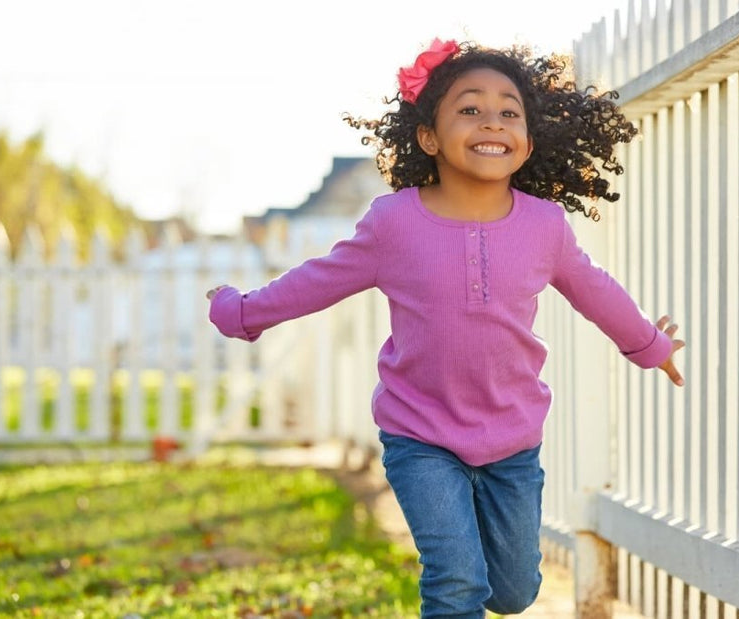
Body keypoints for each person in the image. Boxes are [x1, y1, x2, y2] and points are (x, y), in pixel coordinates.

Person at [207, 38, 685, 618]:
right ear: (429, 137)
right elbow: (318, 280)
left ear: (529, 140)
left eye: (509, 112)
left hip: (512, 439)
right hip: (420, 434)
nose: (493, 122)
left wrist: (649, 343)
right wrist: (241, 311)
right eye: (470, 108)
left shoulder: (544, 226)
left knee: (512, 591)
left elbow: (595, 289)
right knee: (456, 582)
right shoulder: (393, 223)